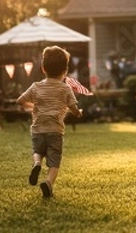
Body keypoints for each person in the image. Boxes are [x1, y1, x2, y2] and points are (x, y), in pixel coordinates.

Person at [17, 46, 83, 198]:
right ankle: (48, 183)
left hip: (38, 129)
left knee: (38, 151)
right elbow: (73, 109)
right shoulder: (65, 88)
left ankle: (37, 163)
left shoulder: (36, 86)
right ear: (65, 70)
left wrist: (33, 106)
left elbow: (20, 100)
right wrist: (78, 114)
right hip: (55, 131)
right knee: (54, 161)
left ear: (43, 68)